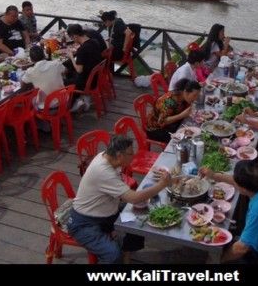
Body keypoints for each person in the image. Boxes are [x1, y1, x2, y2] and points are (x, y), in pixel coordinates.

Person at [67, 135, 172, 264]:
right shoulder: (103, 171)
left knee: (140, 216)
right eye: (130, 153)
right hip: (84, 223)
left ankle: (127, 257)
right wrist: (161, 185)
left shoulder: (107, 157)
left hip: (107, 212)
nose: (133, 156)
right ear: (119, 155)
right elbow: (133, 198)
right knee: (113, 255)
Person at [200, 160, 258, 264]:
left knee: (218, 257)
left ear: (243, 189)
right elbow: (236, 181)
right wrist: (213, 175)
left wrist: (220, 260)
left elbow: (242, 248)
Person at [21, 45, 66, 111]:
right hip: (63, 98)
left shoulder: (30, 72)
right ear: (44, 55)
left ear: (31, 59)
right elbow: (65, 71)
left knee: (31, 98)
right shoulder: (56, 64)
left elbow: (22, 86)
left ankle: (34, 116)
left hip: (46, 105)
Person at [64, 23, 103, 91]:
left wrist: (71, 57)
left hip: (87, 82)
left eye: (71, 38)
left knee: (61, 81)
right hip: (96, 77)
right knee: (69, 68)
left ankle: (71, 97)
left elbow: (79, 70)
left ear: (75, 36)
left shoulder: (82, 49)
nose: (72, 40)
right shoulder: (94, 41)